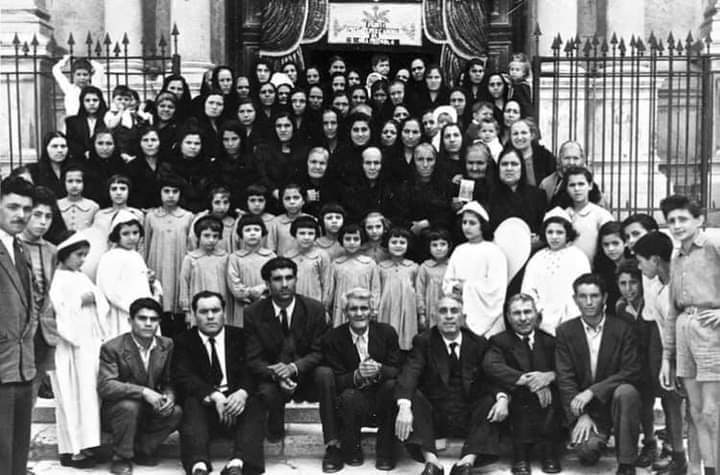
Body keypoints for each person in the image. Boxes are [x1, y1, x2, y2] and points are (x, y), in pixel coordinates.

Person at [394, 295, 506, 475]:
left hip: (467, 416)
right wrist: (404, 406)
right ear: (435, 317)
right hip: (435, 417)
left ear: (463, 317)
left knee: (488, 400)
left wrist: (502, 397)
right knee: (413, 397)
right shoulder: (424, 341)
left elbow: (491, 376)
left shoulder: (478, 343)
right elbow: (410, 371)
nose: (449, 316)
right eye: (443, 311)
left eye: (454, 311)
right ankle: (432, 463)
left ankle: (466, 463)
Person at [555, 273, 642, 475]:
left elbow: (631, 371)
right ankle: (598, 437)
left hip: (616, 401)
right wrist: (581, 416)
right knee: (587, 453)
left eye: (594, 296)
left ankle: (627, 463)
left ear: (604, 298)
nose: (588, 302)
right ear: (575, 299)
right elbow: (565, 378)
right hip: (587, 409)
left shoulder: (622, 329)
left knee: (627, 391)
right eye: (583, 296)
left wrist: (593, 391)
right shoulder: (565, 332)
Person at [659, 195, 720, 475]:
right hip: (685, 331)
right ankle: (705, 469)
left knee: (712, 411)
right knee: (695, 413)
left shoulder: (712, 245)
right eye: (672, 220)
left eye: (683, 219)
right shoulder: (677, 256)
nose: (677, 225)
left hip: (712, 333)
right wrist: (667, 357)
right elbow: (672, 310)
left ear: (699, 220)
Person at [244, 257, 333, 448]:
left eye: (289, 278)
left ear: (296, 279)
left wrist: (293, 368)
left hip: (306, 376)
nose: (284, 285)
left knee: (325, 374)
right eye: (277, 279)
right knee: (265, 392)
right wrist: (277, 374)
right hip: (274, 379)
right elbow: (253, 358)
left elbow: (320, 352)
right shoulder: (254, 312)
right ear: (267, 284)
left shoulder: (314, 309)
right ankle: (275, 429)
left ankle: (332, 443)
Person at [173, 291, 265, 475]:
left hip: (237, 406)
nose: (210, 316)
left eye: (215, 310)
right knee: (191, 402)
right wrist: (214, 396)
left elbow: (254, 369)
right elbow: (183, 377)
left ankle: (239, 463)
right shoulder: (183, 341)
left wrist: (242, 393)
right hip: (205, 409)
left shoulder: (242, 337)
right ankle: (198, 464)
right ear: (193, 315)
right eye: (203, 311)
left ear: (224, 312)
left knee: (256, 401)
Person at [98, 297, 182, 474]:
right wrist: (143, 392)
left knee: (176, 412)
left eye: (153, 319)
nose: (148, 324)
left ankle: (143, 449)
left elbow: (168, 380)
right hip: (119, 411)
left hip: (150, 408)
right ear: (130, 321)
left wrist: (170, 396)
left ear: (159, 322)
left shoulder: (166, 344)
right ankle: (121, 457)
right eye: (142, 318)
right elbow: (106, 385)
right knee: (130, 406)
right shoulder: (112, 347)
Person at [322, 287, 402, 472]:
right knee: (349, 396)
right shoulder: (333, 338)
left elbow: (398, 369)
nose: (359, 314)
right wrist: (357, 375)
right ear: (345, 312)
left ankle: (385, 453)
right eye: (353, 309)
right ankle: (351, 450)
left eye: (364, 308)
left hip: (381, 398)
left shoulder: (386, 332)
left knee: (391, 386)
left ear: (371, 311)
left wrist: (379, 370)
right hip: (353, 401)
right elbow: (336, 380)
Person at [483, 293, 562, 475]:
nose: (523, 318)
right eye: (517, 313)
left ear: (537, 314)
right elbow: (491, 366)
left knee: (554, 397)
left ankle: (549, 453)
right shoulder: (499, 341)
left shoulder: (550, 341)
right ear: (509, 317)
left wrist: (549, 376)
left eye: (528, 312)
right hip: (517, 399)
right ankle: (520, 455)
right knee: (521, 396)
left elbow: (567, 369)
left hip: (547, 402)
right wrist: (530, 381)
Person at [49, 230, 109, 468]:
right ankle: (72, 450)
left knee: (87, 397)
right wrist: (80, 302)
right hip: (69, 347)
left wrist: (94, 300)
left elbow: (99, 301)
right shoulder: (58, 279)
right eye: (78, 254)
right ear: (64, 255)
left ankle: (85, 446)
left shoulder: (81, 276)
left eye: (85, 255)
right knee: (70, 396)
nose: (82, 259)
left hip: (87, 346)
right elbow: (56, 313)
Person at [633, 231, 689, 475]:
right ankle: (678, 456)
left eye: (641, 260)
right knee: (671, 402)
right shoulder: (657, 287)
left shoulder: (681, 286)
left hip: (692, 357)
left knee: (697, 413)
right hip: (672, 356)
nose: (638, 266)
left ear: (655, 260)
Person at [0, 176, 37, 475]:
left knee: (16, 455)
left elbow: (29, 304)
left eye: (27, 208)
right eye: (12, 206)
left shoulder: (19, 248)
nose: (20, 215)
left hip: (22, 367)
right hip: (1, 366)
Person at [521, 207, 590, 335]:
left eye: (559, 232)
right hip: (541, 320)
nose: (554, 237)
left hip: (571, 318)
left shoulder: (578, 257)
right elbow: (528, 290)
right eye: (550, 232)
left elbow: (584, 290)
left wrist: (569, 315)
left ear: (568, 234)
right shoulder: (537, 258)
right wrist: (537, 312)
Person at [443, 201, 507, 338]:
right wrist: (455, 287)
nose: (467, 227)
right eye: (464, 222)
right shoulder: (459, 250)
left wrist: (465, 287)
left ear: (482, 225)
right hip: (461, 312)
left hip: (488, 317)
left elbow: (496, 287)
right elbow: (447, 282)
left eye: (472, 223)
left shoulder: (493, 251)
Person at [143, 177, 194, 337]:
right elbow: (146, 244)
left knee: (178, 313)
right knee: (159, 306)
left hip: (179, 267)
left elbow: (191, 246)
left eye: (175, 192)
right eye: (166, 191)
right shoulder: (151, 216)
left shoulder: (187, 217)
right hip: (158, 266)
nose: (170, 195)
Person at [179, 216, 230, 326]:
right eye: (206, 236)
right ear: (198, 236)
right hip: (198, 305)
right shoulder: (191, 258)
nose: (211, 240)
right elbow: (184, 283)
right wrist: (186, 310)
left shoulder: (225, 257)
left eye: (215, 236)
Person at [226, 215, 276, 327]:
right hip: (244, 305)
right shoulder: (235, 258)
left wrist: (263, 289)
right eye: (247, 230)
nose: (252, 233)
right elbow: (234, 285)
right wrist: (251, 292)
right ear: (241, 235)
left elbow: (276, 279)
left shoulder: (270, 256)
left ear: (263, 233)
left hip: (267, 303)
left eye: (256, 230)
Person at [327, 223, 381, 326]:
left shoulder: (369, 263)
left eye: (356, 239)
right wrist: (326, 308)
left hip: (364, 308)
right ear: (342, 241)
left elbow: (375, 288)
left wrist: (374, 308)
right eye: (348, 239)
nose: (352, 243)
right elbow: (330, 290)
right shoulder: (336, 264)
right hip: (341, 309)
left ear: (361, 241)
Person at [415, 228, 451, 331]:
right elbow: (420, 291)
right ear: (429, 247)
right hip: (431, 310)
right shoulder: (425, 267)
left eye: (443, 244)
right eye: (434, 245)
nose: (439, 248)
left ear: (449, 246)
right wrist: (421, 313)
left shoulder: (453, 265)